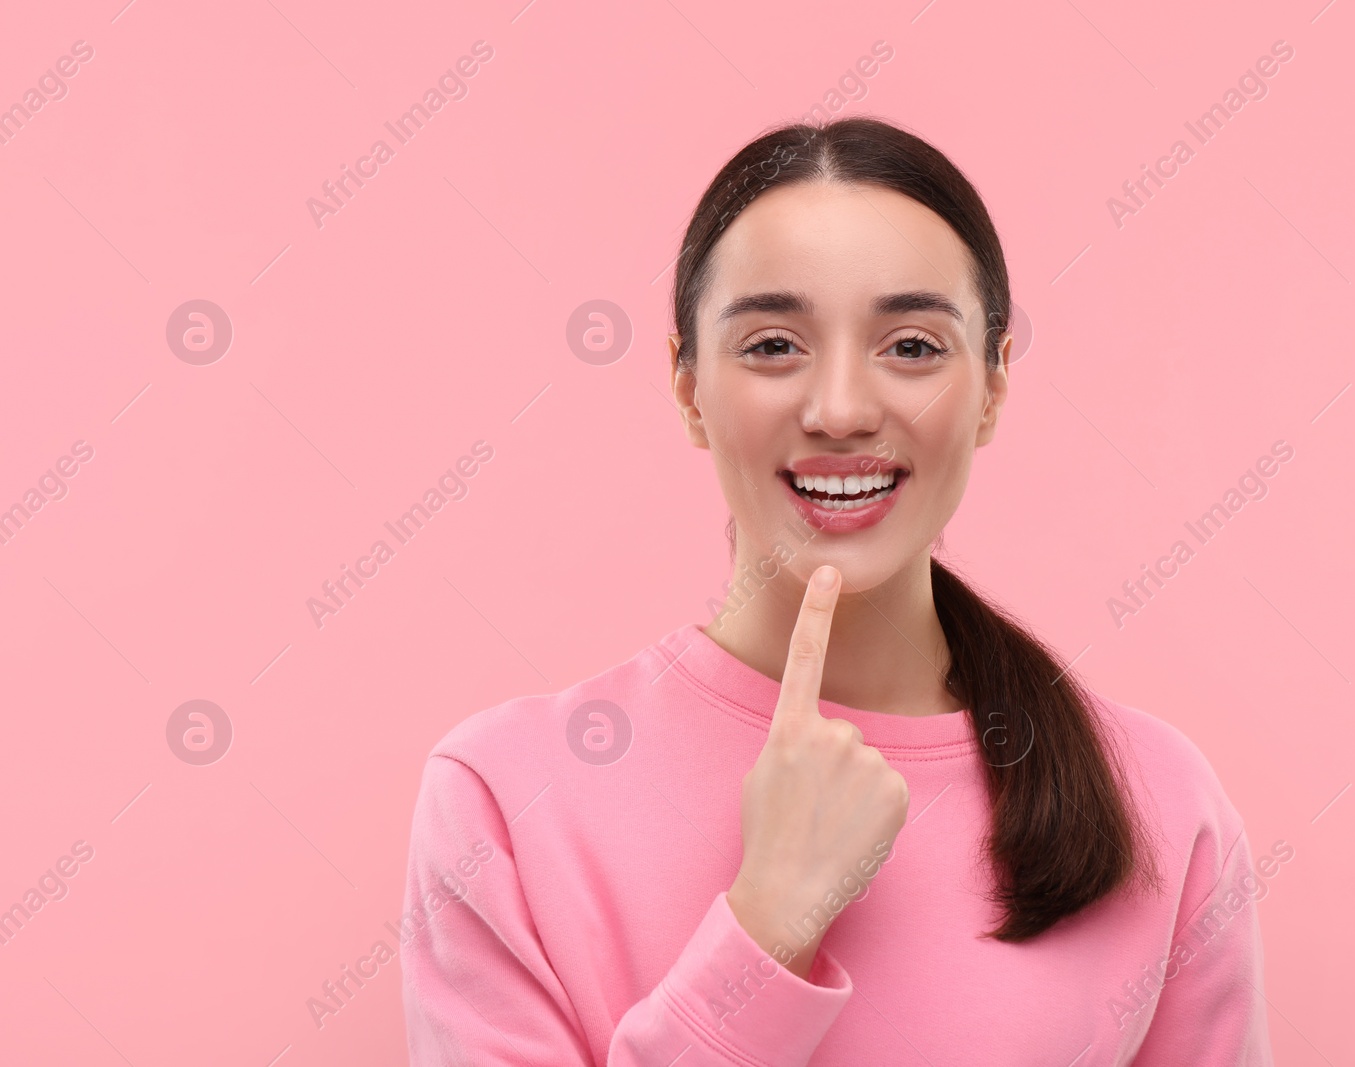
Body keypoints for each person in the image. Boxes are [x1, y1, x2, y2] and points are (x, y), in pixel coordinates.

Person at [399, 116, 1274, 1065]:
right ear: (689, 387)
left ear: (992, 387)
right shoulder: (503, 800)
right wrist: (768, 922)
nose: (843, 409)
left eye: (912, 346)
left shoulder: (1159, 800)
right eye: (774, 345)